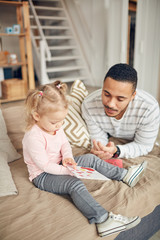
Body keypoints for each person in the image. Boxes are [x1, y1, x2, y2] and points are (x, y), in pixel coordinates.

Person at [22, 80, 147, 237]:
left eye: (62, 121)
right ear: (36, 116)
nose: (59, 125)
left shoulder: (56, 126)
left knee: (90, 159)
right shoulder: (33, 136)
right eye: (55, 122)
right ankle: (103, 220)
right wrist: (67, 170)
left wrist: (67, 157)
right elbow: (45, 165)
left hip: (60, 164)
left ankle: (125, 175)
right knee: (74, 184)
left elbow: (64, 144)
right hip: (43, 175)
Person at [82, 63, 160, 160]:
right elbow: (98, 137)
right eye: (106, 94)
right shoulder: (89, 104)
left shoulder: (149, 108)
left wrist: (117, 151)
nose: (110, 104)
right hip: (110, 138)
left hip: (138, 142)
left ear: (133, 96)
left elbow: (144, 145)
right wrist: (101, 149)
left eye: (120, 99)